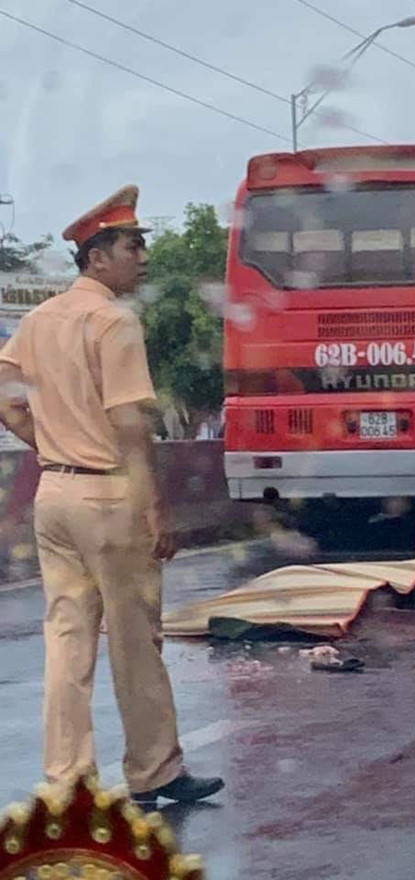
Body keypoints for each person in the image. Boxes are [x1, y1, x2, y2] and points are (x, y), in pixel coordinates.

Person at [0, 185, 224, 803]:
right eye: (133, 245)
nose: (143, 257)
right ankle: (155, 771)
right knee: (134, 641)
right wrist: (155, 505)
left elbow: (7, 398)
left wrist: (44, 440)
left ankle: (67, 782)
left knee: (67, 640)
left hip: (54, 493)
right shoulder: (113, 321)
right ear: (98, 257)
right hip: (109, 497)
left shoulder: (39, 319)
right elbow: (130, 423)